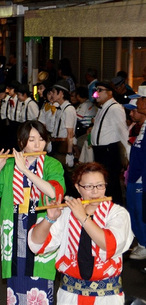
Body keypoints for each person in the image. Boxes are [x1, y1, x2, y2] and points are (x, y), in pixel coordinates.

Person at [0, 120, 66, 305]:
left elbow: (55, 193)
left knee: (41, 289)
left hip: (41, 232)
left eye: (41, 139)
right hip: (15, 233)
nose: (36, 144)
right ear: (21, 141)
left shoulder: (52, 164)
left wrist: (25, 170)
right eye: (31, 139)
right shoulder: (9, 165)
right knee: (16, 291)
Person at [29, 162, 133, 305]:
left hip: (107, 296)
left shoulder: (117, 213)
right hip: (69, 294)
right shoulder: (67, 212)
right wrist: (49, 219)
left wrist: (83, 218)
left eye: (100, 185)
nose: (95, 192)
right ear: (78, 188)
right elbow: (36, 243)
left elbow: (109, 244)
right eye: (89, 187)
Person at [89, 81, 129, 205]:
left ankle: (115, 209)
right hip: (100, 151)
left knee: (111, 184)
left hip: (109, 151)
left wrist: (127, 153)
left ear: (110, 92)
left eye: (100, 90)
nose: (97, 93)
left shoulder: (115, 108)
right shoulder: (103, 107)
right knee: (103, 182)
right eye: (96, 90)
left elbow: (123, 132)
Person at [125, 86, 146, 260]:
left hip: (141, 180)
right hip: (134, 177)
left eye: (140, 99)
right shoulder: (141, 127)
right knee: (134, 211)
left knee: (140, 212)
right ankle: (142, 243)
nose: (137, 103)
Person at [50, 80, 77, 169]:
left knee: (63, 171)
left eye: (54, 92)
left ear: (61, 93)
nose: (52, 95)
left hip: (63, 145)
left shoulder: (69, 109)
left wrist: (69, 153)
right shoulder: (59, 108)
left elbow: (70, 133)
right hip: (56, 143)